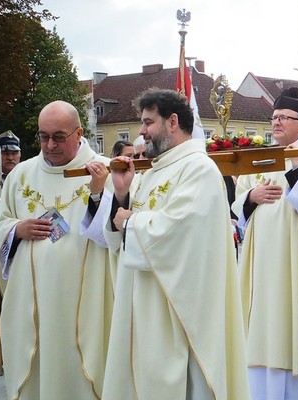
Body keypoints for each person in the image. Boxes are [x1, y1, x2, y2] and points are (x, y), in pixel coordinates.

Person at [100, 88, 249, 400]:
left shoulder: (199, 168)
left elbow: (178, 232)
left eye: (147, 122)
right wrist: (122, 195)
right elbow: (117, 237)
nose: (141, 132)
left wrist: (129, 221)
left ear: (173, 121)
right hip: (143, 304)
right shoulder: (152, 170)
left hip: (177, 311)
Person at [0, 100, 113, 399]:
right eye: (43, 136)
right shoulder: (21, 175)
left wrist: (98, 193)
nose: (49, 145)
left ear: (79, 133)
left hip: (85, 302)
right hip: (30, 302)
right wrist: (15, 229)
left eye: (58, 137)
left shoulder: (105, 170)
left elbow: (116, 233)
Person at [232, 87, 298, 399]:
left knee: (296, 324)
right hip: (261, 264)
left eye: (283, 118)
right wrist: (249, 198)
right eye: (273, 117)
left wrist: (297, 166)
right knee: (262, 328)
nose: (275, 123)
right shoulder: (260, 158)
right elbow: (237, 209)